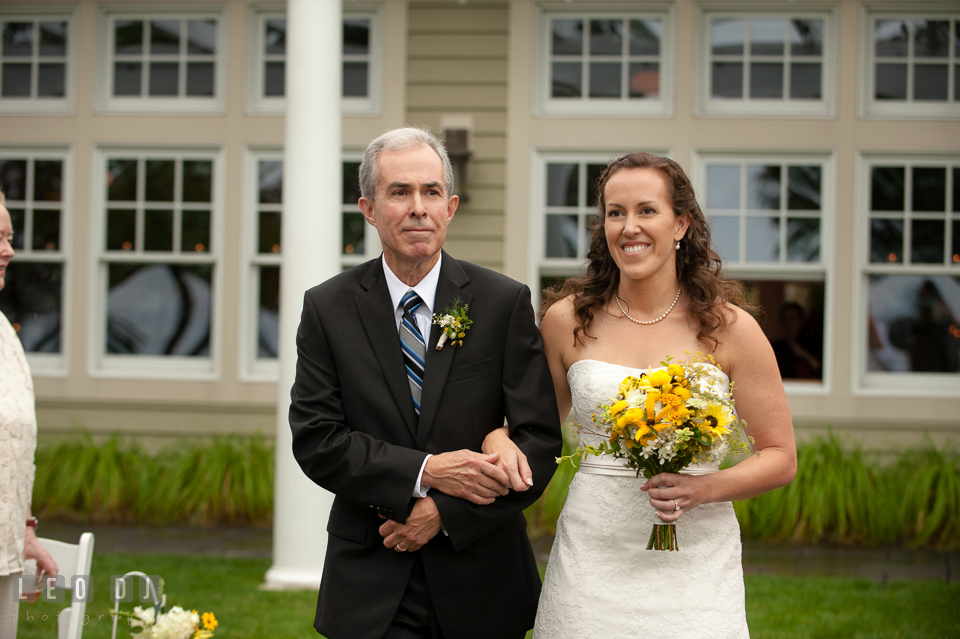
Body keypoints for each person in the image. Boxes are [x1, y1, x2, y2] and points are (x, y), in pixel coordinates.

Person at [485, 153, 796, 638]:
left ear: (681, 224)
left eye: (647, 210)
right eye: (616, 213)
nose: (629, 227)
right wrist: (497, 439)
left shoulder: (732, 329)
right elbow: (533, 427)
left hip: (696, 562)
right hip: (594, 554)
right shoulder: (567, 321)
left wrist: (704, 488)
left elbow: (780, 456)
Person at [289, 127, 562, 639]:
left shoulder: (502, 303)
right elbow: (317, 438)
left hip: (482, 578)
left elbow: (539, 443)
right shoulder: (327, 308)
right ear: (368, 208)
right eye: (400, 192)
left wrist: (444, 512)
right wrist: (428, 471)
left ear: (451, 206)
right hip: (372, 573)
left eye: (431, 192)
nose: (419, 207)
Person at [0, 191, 58, 638]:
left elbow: (12, 447)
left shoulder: (4, 332)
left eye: (10, 237)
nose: (9, 250)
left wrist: (23, 532)